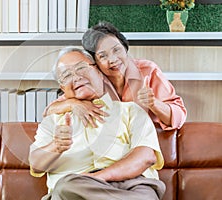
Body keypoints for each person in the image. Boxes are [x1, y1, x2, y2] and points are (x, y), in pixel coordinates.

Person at [29, 47, 166, 200]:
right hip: (74, 190)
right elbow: (35, 163)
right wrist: (56, 145)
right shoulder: (54, 121)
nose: (76, 77)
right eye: (66, 75)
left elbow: (145, 157)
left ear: (99, 73)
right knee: (66, 186)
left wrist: (99, 177)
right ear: (62, 88)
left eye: (81, 68)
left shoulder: (131, 111)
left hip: (131, 187)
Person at [44, 22, 187, 130]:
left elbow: (179, 117)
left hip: (147, 144)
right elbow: (49, 111)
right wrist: (73, 103)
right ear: (95, 63)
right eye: (103, 56)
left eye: (117, 50)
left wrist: (154, 103)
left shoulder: (148, 70)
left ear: (125, 48)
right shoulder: (91, 82)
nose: (113, 60)